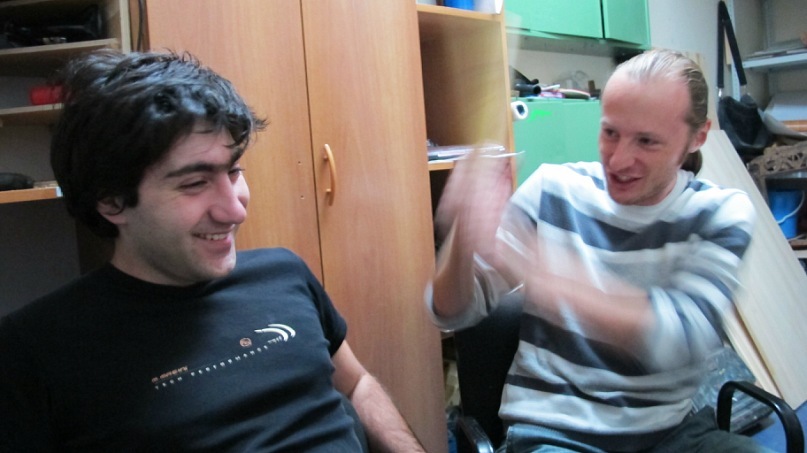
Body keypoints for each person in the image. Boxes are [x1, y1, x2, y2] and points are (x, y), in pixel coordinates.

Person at [0, 50, 425, 452]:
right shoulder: (35, 348)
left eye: (234, 170)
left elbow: (356, 384)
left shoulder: (284, 272)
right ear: (112, 202)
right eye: (194, 183)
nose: (236, 209)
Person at [428, 49, 763, 452]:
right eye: (610, 133)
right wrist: (463, 238)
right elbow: (448, 311)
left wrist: (533, 270)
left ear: (698, 136)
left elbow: (679, 336)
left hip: (671, 435)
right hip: (555, 435)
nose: (618, 160)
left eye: (646, 141)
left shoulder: (720, 213)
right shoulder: (553, 190)